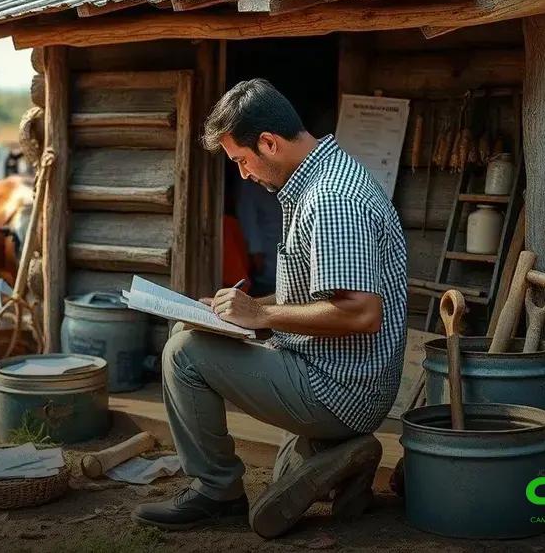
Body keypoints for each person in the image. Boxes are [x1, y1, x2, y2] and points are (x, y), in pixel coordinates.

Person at [132, 79, 408, 538]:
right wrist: (238, 309)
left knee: (183, 353)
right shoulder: (322, 179)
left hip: (340, 389)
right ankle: (347, 457)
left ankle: (216, 493)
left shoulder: (332, 200)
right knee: (286, 486)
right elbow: (318, 295)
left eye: (241, 161)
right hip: (334, 374)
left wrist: (259, 318)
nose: (242, 174)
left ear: (268, 143)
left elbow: (360, 313)